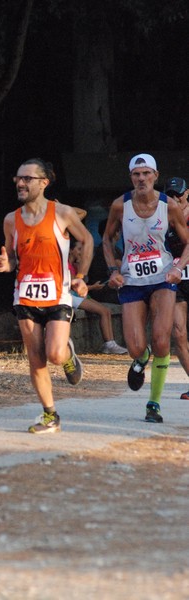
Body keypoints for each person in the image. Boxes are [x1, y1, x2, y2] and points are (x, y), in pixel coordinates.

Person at [0, 158, 93, 434]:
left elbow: (86, 239)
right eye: (18, 178)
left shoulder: (61, 213)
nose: (21, 183)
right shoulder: (10, 221)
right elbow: (12, 258)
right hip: (25, 296)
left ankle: (68, 355)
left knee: (55, 354)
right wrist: (6, 265)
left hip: (58, 295)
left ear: (44, 182)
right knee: (36, 358)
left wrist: (81, 277)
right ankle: (51, 415)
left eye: (27, 178)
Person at [103, 153, 189, 423]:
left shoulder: (170, 206)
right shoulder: (120, 205)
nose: (141, 178)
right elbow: (106, 239)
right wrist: (113, 270)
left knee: (163, 340)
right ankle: (142, 358)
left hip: (163, 278)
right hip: (132, 279)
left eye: (146, 173)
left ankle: (154, 404)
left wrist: (177, 268)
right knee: (134, 346)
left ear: (155, 176)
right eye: (136, 174)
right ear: (131, 177)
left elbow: (188, 243)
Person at [69, 238, 127, 354]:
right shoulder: (65, 265)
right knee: (103, 310)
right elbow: (73, 286)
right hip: (70, 296)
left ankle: (110, 343)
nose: (81, 252)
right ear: (70, 250)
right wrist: (93, 288)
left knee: (106, 310)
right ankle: (109, 344)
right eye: (79, 249)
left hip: (77, 296)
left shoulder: (74, 264)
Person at [164, 177, 189, 399]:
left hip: (181, 271)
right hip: (175, 280)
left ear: (187, 193)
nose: (175, 199)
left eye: (178, 194)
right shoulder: (163, 218)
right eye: (170, 195)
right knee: (179, 333)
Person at [87, 218, 122, 304]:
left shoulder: (115, 249)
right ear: (116, 232)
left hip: (109, 289)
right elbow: (122, 267)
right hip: (102, 290)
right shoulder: (105, 249)